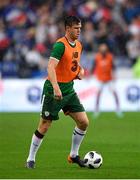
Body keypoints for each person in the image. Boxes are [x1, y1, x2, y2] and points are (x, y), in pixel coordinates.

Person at [26, 16, 89, 169]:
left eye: (80, 28)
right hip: (53, 90)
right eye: (76, 28)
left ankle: (73, 155)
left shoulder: (79, 45)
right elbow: (50, 67)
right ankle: (30, 159)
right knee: (45, 125)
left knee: (83, 122)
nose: (79, 30)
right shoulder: (60, 45)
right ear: (67, 28)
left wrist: (79, 71)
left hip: (68, 89)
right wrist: (56, 88)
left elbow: (72, 64)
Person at [91, 43, 122, 117]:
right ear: (100, 50)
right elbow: (93, 67)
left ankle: (118, 109)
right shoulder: (97, 57)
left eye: (104, 50)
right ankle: (96, 110)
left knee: (115, 93)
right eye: (102, 50)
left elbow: (113, 67)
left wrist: (114, 75)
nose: (103, 51)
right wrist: (90, 75)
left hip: (109, 79)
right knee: (98, 94)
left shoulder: (110, 57)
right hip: (100, 79)